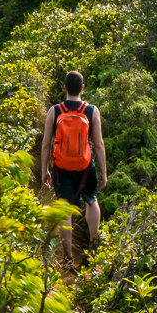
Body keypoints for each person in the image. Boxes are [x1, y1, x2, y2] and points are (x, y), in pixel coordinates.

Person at [39, 71, 106, 253]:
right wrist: (103, 173)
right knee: (91, 201)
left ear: (65, 88)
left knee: (65, 207)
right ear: (82, 88)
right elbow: (98, 145)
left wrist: (44, 170)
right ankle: (93, 244)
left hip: (61, 167)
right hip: (86, 166)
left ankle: (68, 256)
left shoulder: (55, 111)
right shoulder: (91, 111)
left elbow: (46, 144)